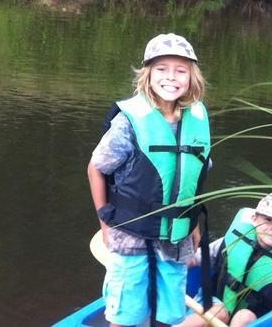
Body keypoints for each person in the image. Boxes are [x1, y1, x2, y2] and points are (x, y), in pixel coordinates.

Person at [88, 33, 211, 327]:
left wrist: (193, 224)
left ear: (191, 76)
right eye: (161, 69)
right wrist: (105, 221)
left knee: (169, 315)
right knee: (127, 315)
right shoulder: (128, 121)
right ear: (148, 74)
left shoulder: (197, 118)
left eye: (181, 70)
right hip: (131, 234)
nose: (171, 77)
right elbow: (96, 168)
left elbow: (197, 175)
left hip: (177, 237)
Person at [177, 193, 272, 327]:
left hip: (251, 317)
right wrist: (169, 264)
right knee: (219, 311)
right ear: (254, 219)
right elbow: (196, 259)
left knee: (244, 316)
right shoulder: (234, 240)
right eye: (268, 219)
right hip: (215, 302)